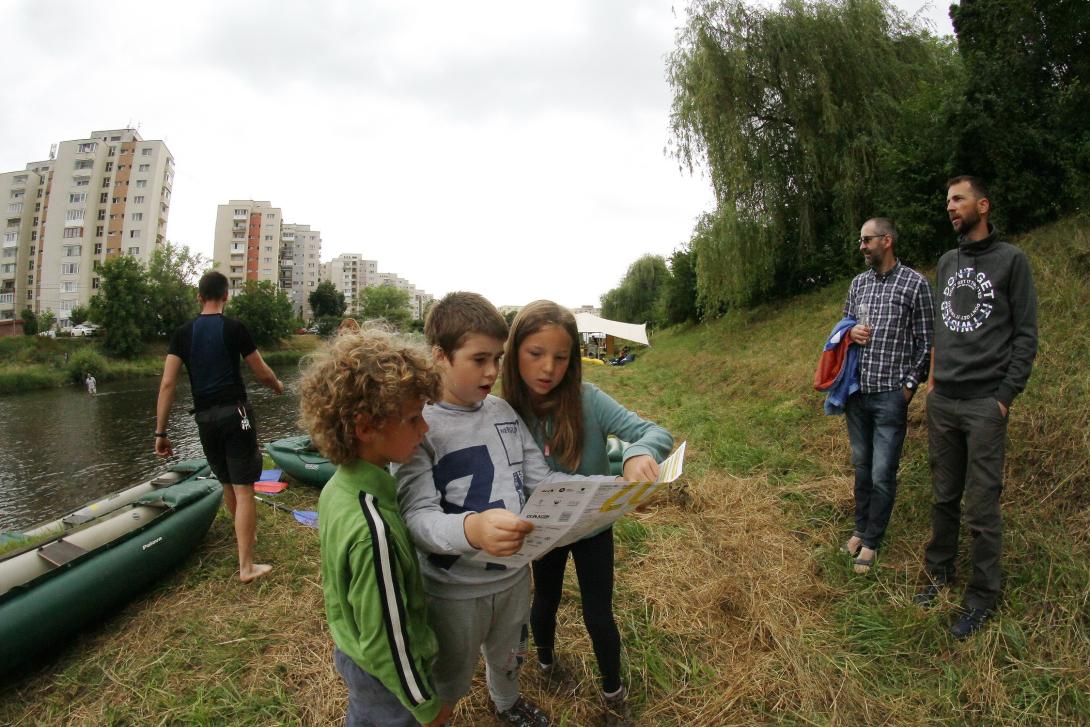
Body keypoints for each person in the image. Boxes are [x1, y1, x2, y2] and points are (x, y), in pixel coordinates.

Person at [395, 292, 619, 727]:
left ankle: (507, 701)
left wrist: (606, 491)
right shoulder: (416, 425)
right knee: (450, 673)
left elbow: (542, 481)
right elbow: (417, 518)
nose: (493, 372)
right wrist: (472, 529)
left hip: (515, 577)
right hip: (454, 589)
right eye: (479, 360)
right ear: (440, 356)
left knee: (509, 653)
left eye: (498, 358)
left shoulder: (503, 412)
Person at [502, 300, 673, 726]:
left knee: (599, 609)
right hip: (544, 532)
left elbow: (654, 432)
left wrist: (637, 454)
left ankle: (613, 692)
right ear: (514, 352)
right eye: (536, 354)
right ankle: (544, 663)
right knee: (545, 599)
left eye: (561, 357)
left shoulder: (587, 399)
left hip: (595, 526)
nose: (548, 368)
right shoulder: (505, 413)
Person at [298, 328, 452, 727]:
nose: (425, 429)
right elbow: (389, 643)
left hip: (353, 655)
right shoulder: (374, 531)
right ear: (366, 427)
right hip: (389, 684)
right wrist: (427, 708)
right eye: (413, 418)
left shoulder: (337, 487)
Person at [914, 176, 1038, 639]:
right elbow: (941, 332)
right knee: (944, 497)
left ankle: (982, 597)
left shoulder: (1012, 261)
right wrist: (931, 384)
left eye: (958, 199)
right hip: (944, 400)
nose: (950, 207)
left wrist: (1005, 397)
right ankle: (938, 574)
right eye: (947, 200)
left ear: (982, 205)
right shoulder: (948, 262)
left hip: (986, 403)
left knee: (981, 506)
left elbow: (1026, 334)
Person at [154, 271, 284, 584]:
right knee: (244, 489)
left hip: (205, 420)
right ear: (226, 295)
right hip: (235, 415)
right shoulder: (235, 328)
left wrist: (161, 432)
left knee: (227, 483)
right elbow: (261, 372)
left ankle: (245, 542)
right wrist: (277, 385)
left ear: (199, 297)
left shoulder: (183, 334)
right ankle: (246, 566)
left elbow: (168, 383)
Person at [840, 218, 934, 574]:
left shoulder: (915, 284)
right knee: (862, 468)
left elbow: (927, 341)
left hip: (890, 396)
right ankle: (860, 529)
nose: (862, 246)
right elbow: (843, 330)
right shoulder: (858, 284)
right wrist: (851, 335)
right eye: (861, 241)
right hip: (857, 395)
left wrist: (909, 387)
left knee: (882, 472)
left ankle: (873, 541)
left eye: (867, 240)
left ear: (887, 240)